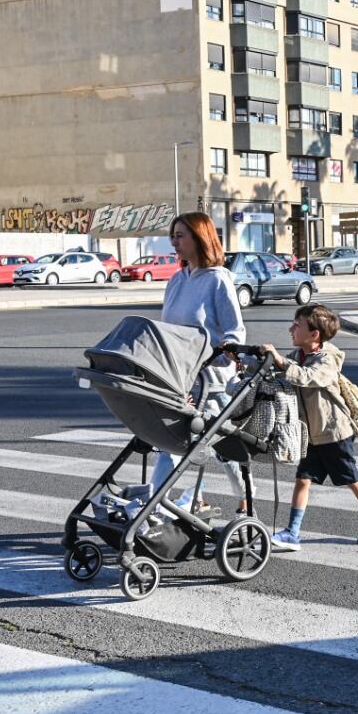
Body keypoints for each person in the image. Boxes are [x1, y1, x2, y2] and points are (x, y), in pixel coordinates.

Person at [260, 303, 358, 550]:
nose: (290, 329)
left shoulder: (327, 358)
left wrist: (280, 362)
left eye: (297, 325)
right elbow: (282, 374)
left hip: (334, 431)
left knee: (350, 478)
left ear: (314, 334)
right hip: (310, 434)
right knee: (303, 479)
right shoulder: (299, 356)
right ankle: (293, 532)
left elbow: (310, 378)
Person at [155, 212, 246, 509]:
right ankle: (156, 507)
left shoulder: (218, 280)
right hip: (178, 376)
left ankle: (246, 498)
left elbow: (235, 330)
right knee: (167, 443)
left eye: (180, 235)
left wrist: (228, 348)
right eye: (173, 235)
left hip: (211, 379)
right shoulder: (177, 280)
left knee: (220, 444)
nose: (174, 242)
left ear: (199, 238)